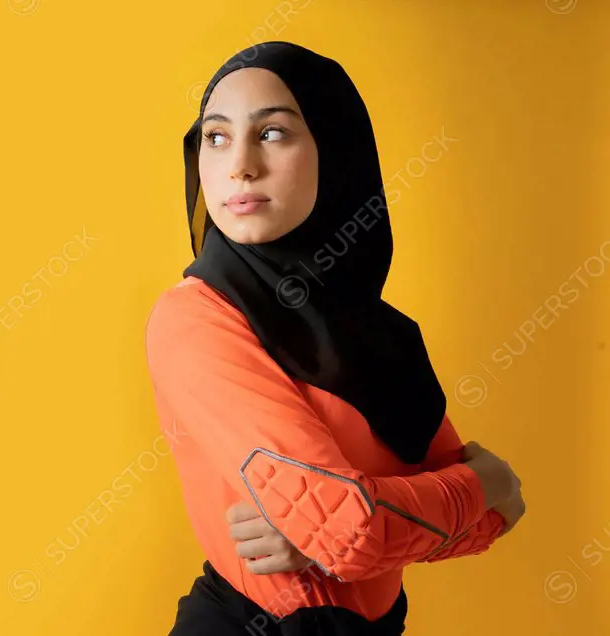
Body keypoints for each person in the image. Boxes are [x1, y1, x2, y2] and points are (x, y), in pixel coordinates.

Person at [144, 41, 526, 635]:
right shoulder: (196, 320)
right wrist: (488, 480)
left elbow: (490, 526)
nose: (239, 164)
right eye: (215, 138)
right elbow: (355, 534)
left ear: (337, 151)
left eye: (272, 133)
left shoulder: (378, 334)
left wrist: (358, 523)